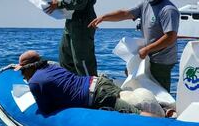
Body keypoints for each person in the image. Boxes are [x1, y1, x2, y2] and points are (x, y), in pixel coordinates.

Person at [88, 0, 179, 92]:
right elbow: (125, 13)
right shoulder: (145, 4)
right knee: (137, 82)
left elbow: (170, 37)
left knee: (160, 93)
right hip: (147, 55)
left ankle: (164, 110)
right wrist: (104, 17)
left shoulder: (168, 10)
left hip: (161, 60)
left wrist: (147, 49)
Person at [14, 50, 157, 117]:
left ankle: (163, 124)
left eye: (22, 71)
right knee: (128, 99)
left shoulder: (34, 82)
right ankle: (162, 110)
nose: (23, 75)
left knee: (138, 114)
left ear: (28, 68)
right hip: (99, 81)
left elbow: (46, 110)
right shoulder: (52, 66)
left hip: (97, 96)